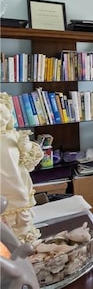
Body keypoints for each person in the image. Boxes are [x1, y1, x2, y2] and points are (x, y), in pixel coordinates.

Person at [0, 92, 43, 243]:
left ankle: (25, 238)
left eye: (2, 113)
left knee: (21, 215)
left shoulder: (14, 135)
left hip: (16, 184)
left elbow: (29, 158)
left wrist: (25, 146)